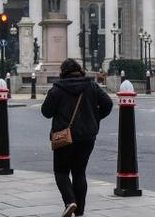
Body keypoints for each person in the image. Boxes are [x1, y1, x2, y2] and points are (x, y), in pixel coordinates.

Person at [41, 59, 114, 217]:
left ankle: (70, 202)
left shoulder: (57, 89)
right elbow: (108, 104)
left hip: (63, 136)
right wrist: (95, 119)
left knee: (61, 171)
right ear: (79, 70)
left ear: (63, 72)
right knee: (79, 173)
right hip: (87, 136)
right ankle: (79, 212)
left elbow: (46, 112)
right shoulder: (92, 86)